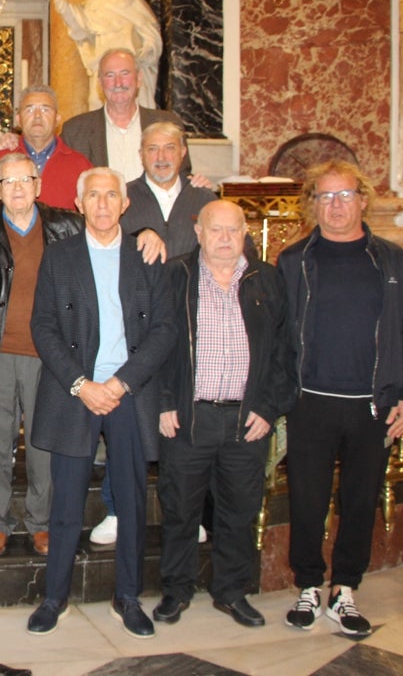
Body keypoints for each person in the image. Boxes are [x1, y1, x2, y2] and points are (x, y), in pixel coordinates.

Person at [278, 161, 403, 637]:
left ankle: (344, 589)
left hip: (373, 404)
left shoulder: (391, 261)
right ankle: (308, 585)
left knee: (360, 500)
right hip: (311, 402)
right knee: (307, 498)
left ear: (363, 200)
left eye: (345, 195)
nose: (336, 205)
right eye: (325, 196)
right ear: (312, 204)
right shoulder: (294, 260)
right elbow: (278, 336)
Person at [26, 167, 175, 638]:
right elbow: (43, 326)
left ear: (125, 203)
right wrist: (81, 383)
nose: (104, 204)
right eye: (94, 195)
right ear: (78, 202)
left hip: (129, 390)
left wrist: (122, 383)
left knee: (131, 500)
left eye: (112, 195)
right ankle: (55, 596)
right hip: (77, 391)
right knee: (66, 500)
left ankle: (127, 597)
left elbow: (165, 329)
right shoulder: (60, 256)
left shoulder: (146, 255)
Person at [154, 200, 293, 628]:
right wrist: (162, 401)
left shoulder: (266, 279)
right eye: (216, 230)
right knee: (180, 510)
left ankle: (232, 592)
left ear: (245, 231)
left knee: (239, 511)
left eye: (234, 230)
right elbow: (153, 343)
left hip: (245, 421)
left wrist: (268, 409)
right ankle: (176, 590)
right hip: (187, 417)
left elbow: (285, 354)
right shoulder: (175, 275)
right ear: (199, 232)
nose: (226, 239)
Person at [0, 152, 84, 559]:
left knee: (44, 441)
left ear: (38, 185)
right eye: (8, 182)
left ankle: (41, 522)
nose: (18, 188)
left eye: (25, 180)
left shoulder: (66, 226)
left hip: (50, 354)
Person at [60, 48, 188, 182]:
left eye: (125, 74)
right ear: (100, 83)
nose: (118, 83)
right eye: (110, 75)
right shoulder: (75, 132)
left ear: (139, 78)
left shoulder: (168, 123)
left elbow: (182, 177)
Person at [53, 0, 163, 110]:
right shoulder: (96, 1)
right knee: (95, 103)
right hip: (102, 62)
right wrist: (61, 3)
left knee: (135, 105)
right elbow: (80, 22)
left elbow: (149, 25)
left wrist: (150, 44)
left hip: (129, 62)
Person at [0, 85, 92, 210]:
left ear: (57, 119)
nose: (37, 116)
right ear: (19, 120)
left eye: (45, 110)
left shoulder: (79, 165)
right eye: (29, 110)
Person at [120, 120, 219, 268]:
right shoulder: (121, 198)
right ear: (141, 155)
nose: (161, 157)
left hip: (190, 289)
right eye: (153, 149)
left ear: (183, 152)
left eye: (170, 148)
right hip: (141, 289)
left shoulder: (204, 200)